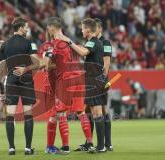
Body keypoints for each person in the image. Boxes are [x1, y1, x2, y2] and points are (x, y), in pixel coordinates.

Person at [42, 17, 94, 154]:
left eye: (48, 27)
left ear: (52, 27)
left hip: (65, 80)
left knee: (60, 113)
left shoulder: (54, 43)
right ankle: (90, 143)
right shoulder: (70, 42)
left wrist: (44, 62)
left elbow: (46, 64)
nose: (47, 30)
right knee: (81, 112)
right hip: (79, 78)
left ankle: (65, 147)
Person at [56, 18, 107, 152]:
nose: (81, 30)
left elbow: (83, 52)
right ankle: (94, 145)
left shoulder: (93, 42)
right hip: (93, 80)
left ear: (89, 30)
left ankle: (101, 146)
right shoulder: (92, 43)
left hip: (94, 81)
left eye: (83, 28)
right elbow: (82, 50)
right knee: (93, 112)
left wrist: (68, 41)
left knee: (97, 112)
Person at [0, 17, 38, 155]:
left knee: (10, 115)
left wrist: (2, 88)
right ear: (20, 28)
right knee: (28, 114)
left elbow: (2, 67)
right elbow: (37, 63)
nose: (27, 29)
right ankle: (27, 148)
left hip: (11, 80)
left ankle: (11, 148)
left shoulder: (5, 45)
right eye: (26, 27)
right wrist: (25, 69)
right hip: (26, 79)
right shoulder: (29, 43)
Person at [75, 18, 113, 152]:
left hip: (99, 81)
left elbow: (106, 62)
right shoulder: (90, 42)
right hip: (93, 80)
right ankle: (90, 142)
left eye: (97, 28)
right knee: (89, 110)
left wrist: (104, 79)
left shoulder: (104, 42)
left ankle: (106, 143)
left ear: (99, 29)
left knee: (102, 111)